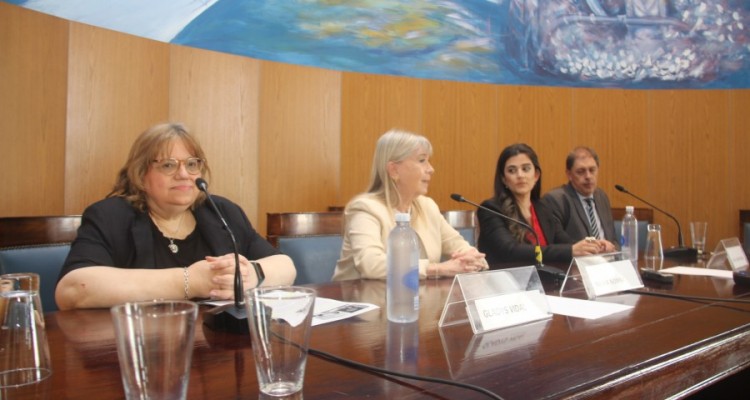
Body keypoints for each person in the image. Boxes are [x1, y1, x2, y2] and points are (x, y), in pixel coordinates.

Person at [55, 122, 296, 310]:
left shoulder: (221, 211)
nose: (184, 174)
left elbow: (285, 267)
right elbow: (73, 290)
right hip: (137, 349)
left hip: (214, 351)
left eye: (192, 165)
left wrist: (252, 274)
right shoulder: (109, 216)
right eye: (168, 165)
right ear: (140, 174)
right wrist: (190, 280)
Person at [332, 129, 488, 281]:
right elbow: (371, 264)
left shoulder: (427, 206)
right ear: (394, 170)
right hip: (363, 300)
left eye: (429, 161)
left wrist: (471, 259)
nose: (431, 169)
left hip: (414, 299)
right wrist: (438, 269)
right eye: (422, 161)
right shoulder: (365, 209)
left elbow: (458, 245)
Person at [477, 143, 609, 266]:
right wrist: (570, 251)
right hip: (508, 285)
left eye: (526, 169)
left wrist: (592, 246)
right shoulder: (491, 209)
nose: (520, 175)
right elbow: (510, 251)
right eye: (512, 171)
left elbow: (564, 242)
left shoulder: (543, 208)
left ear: (536, 175)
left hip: (546, 282)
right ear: (504, 179)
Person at [541, 146, 617, 249]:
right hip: (578, 263)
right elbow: (559, 244)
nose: (588, 176)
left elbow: (613, 239)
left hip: (607, 261)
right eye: (581, 171)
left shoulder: (601, 197)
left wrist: (612, 247)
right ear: (569, 175)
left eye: (592, 170)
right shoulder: (556, 200)